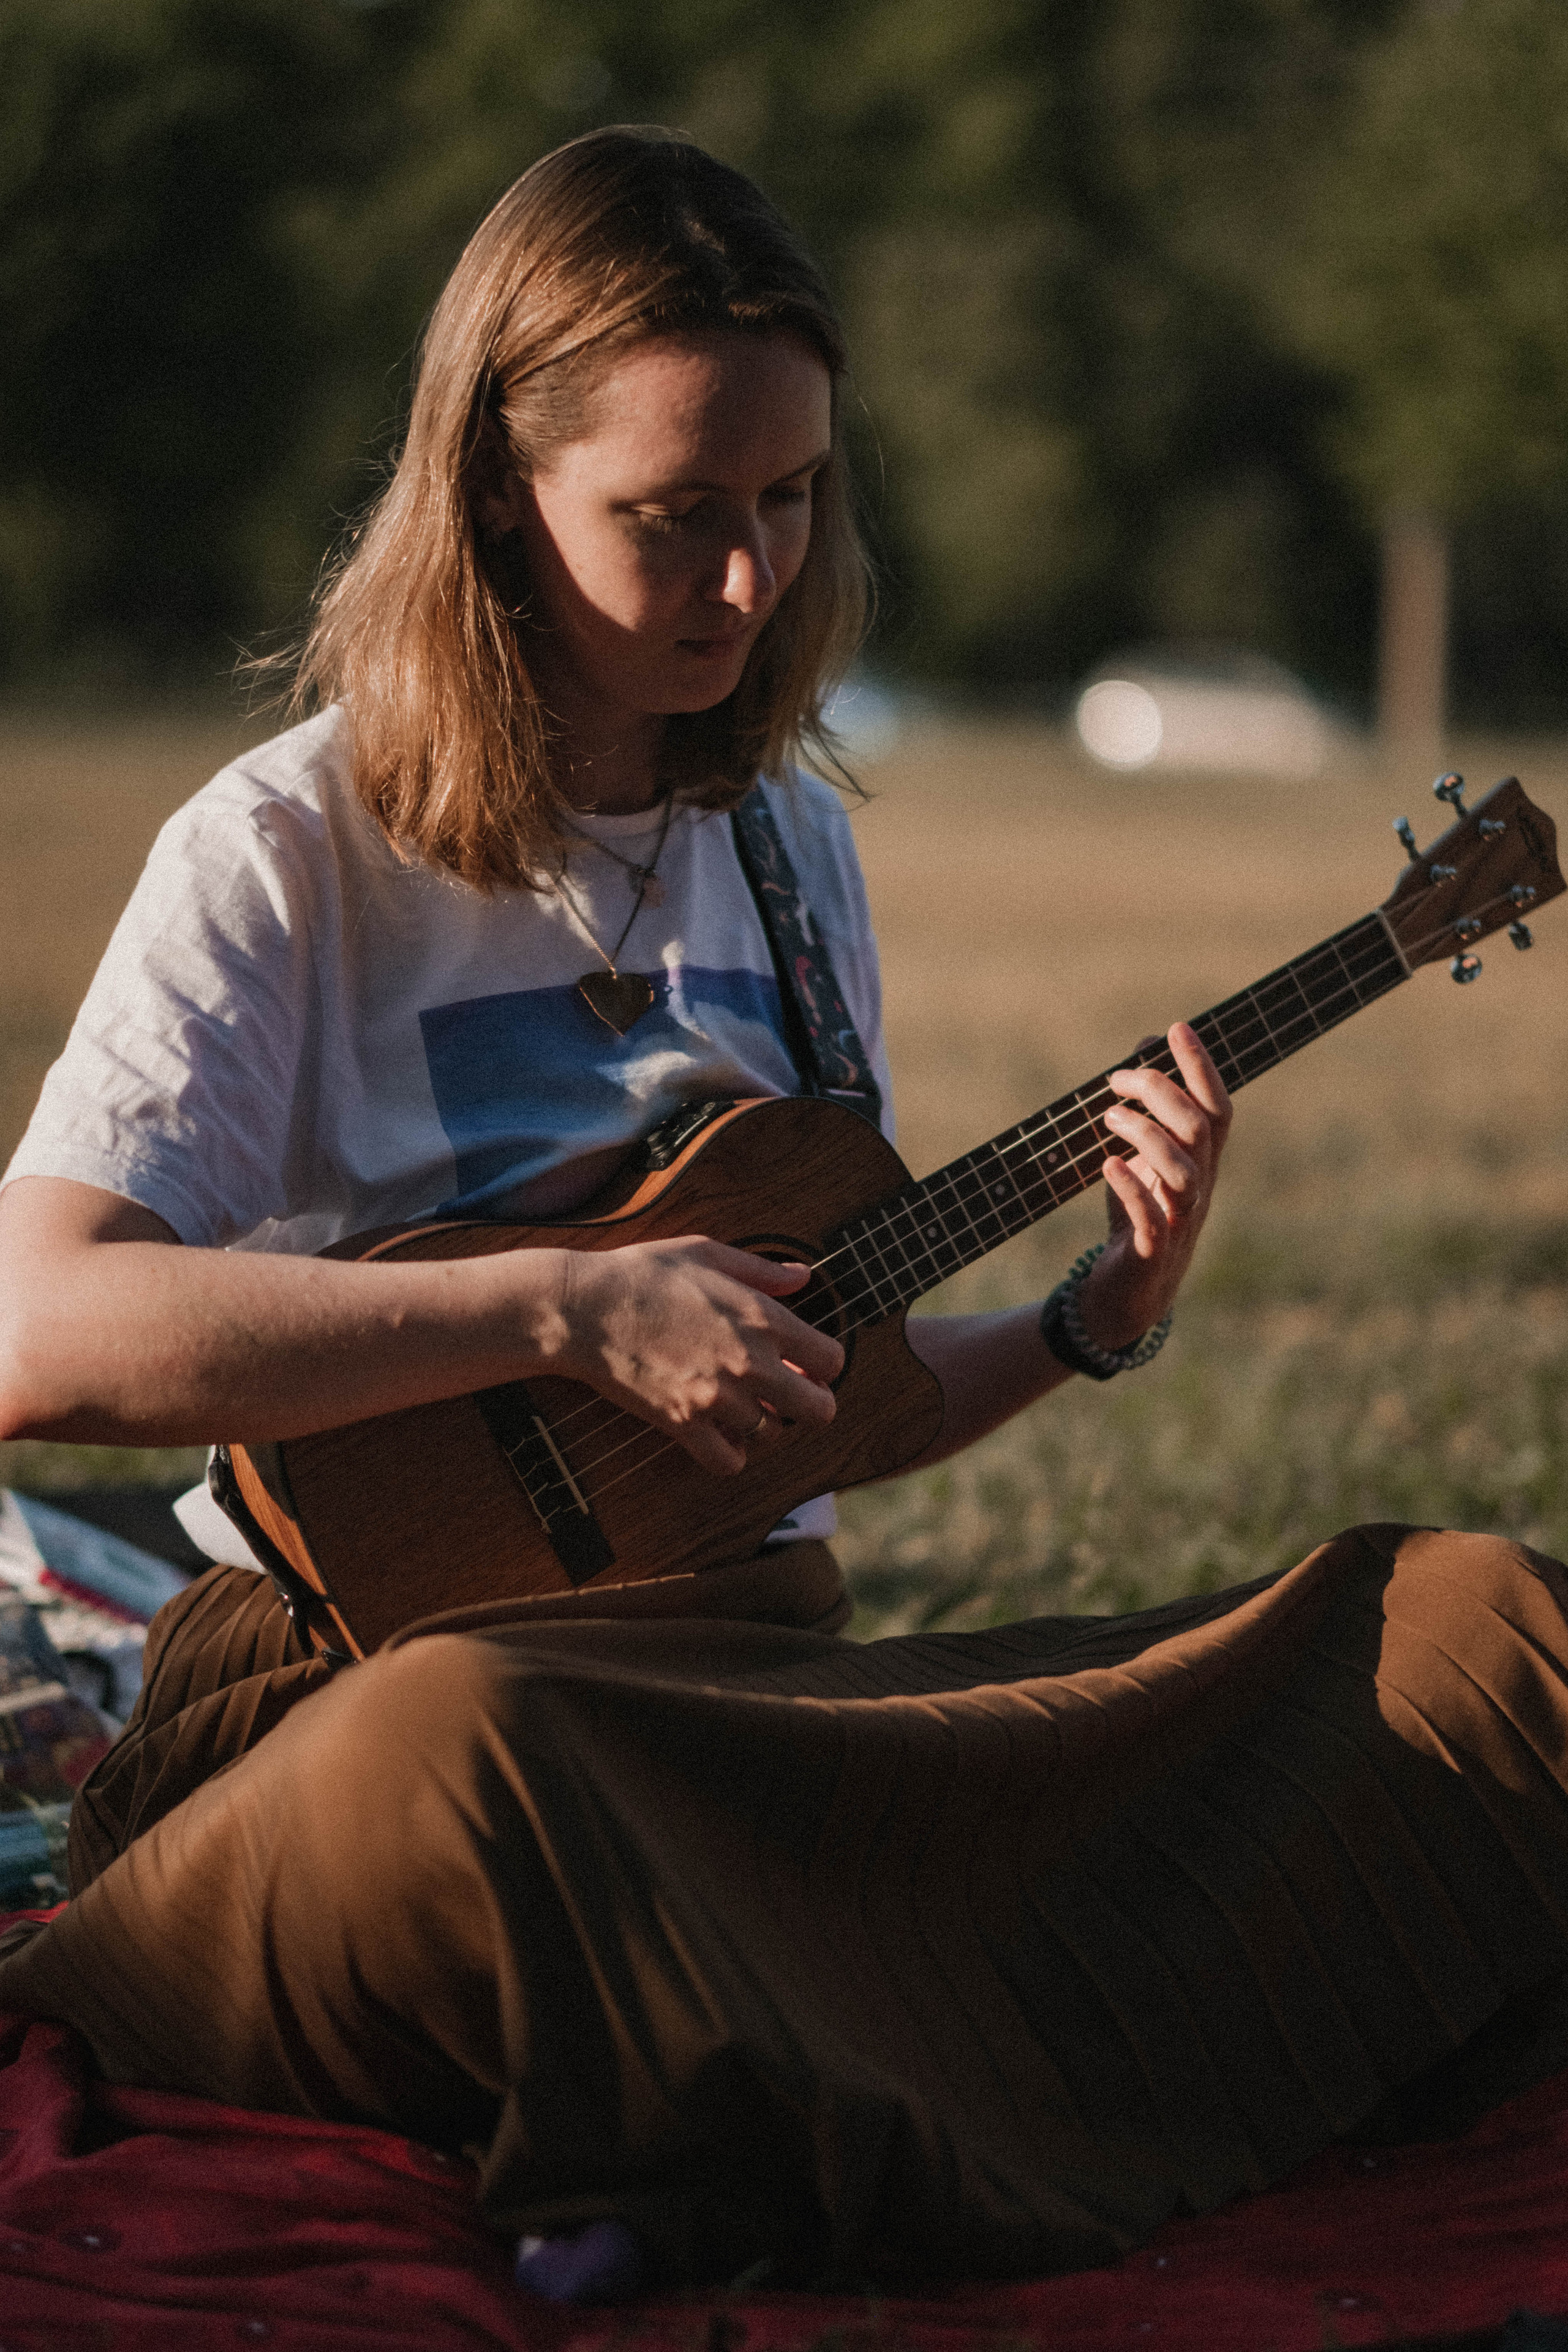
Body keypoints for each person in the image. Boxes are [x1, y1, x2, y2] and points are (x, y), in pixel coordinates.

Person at [2, 126, 1568, 2298]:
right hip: (362, 1717)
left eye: (795, 499)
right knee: (488, 1754)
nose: (751, 583)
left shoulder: (784, 860)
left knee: (1478, 1634)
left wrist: (1097, 1317)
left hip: (756, 1728)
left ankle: (761, 2093)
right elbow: (36, 1332)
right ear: (490, 499)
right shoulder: (284, 856)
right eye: (675, 518)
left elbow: (826, 1403)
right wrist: (563, 1308)